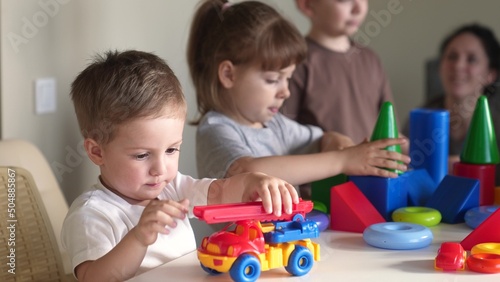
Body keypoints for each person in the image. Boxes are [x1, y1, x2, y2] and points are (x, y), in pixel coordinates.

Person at [61, 50, 300, 281]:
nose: (160, 169)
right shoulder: (91, 214)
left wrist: (254, 181)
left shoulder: (170, 188)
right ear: (97, 151)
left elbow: (220, 192)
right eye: (142, 155)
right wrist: (139, 237)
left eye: (171, 150)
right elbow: (95, 278)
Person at [187, 0, 410, 191]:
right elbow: (248, 171)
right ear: (228, 74)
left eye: (287, 78)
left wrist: (336, 140)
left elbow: (322, 138)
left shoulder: (277, 126)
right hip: (239, 242)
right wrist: (343, 160)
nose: (285, 91)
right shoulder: (216, 128)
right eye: (273, 80)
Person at [282, 0, 398, 145]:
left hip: (373, 167)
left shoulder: (371, 60)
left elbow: (391, 127)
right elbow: (283, 134)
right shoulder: (295, 62)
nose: (358, 8)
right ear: (306, 5)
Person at [404, 23, 500, 183]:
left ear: (491, 74)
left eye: (472, 59)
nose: (458, 66)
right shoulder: (420, 116)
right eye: (452, 57)